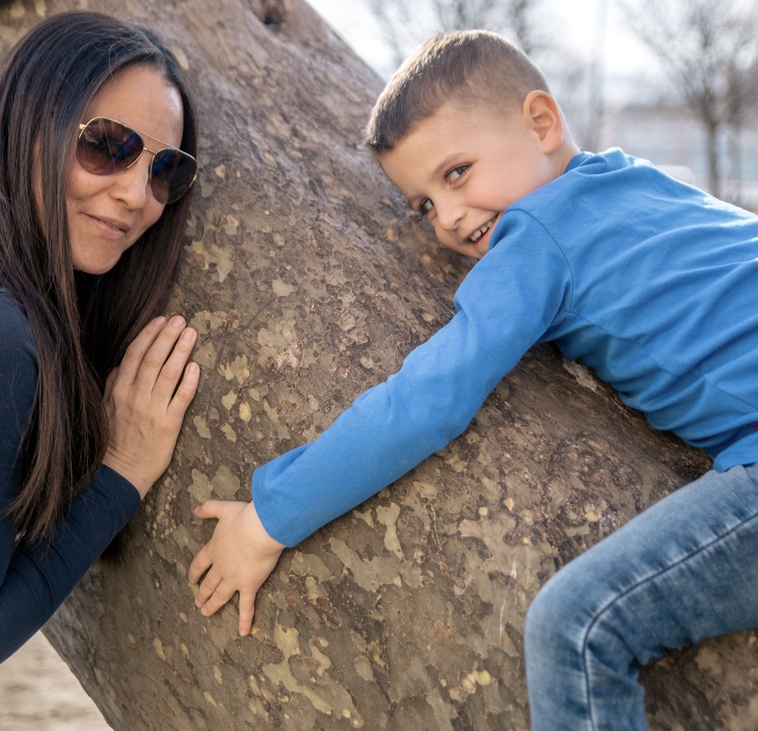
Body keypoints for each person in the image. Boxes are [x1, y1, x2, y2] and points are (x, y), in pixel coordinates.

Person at [189, 29, 758, 729]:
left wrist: (270, 518)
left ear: (542, 123)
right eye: (424, 204)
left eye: (456, 172)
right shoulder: (630, 180)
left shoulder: (538, 236)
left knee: (576, 628)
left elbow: (428, 398)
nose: (449, 217)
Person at [0, 11, 201, 662]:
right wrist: (122, 470)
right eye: (107, 144)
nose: (137, 195)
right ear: (30, 124)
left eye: (162, 168)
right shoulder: (8, 342)